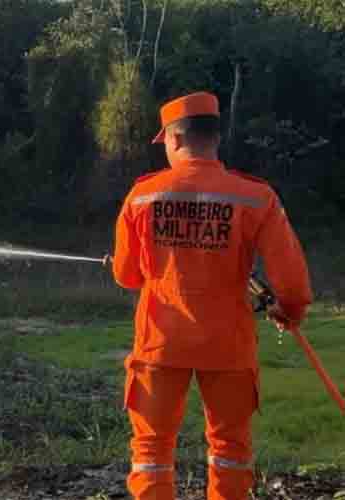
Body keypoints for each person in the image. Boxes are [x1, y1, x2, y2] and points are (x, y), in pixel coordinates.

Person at [110, 91, 313, 500]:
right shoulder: (256, 196)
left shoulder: (143, 196)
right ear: (213, 137)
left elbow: (128, 276)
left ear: (175, 139)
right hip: (228, 346)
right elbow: (291, 277)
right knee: (230, 450)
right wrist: (288, 309)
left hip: (160, 345)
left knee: (152, 451)